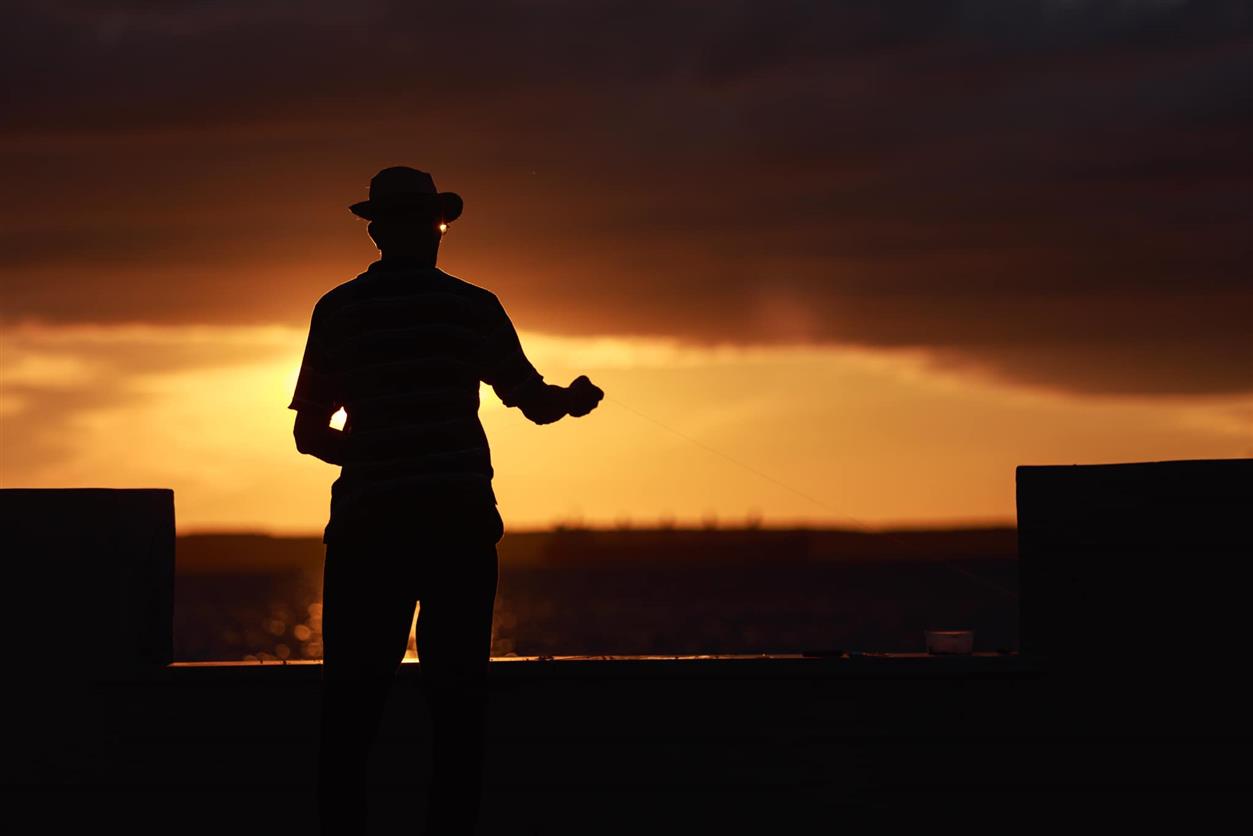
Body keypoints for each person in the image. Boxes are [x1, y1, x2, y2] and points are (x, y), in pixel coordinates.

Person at [289, 165, 604, 835]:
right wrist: (574, 402)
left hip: (367, 529)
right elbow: (533, 402)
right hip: (458, 527)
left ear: (374, 231)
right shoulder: (473, 307)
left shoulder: (337, 310)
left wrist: (376, 451)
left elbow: (308, 434)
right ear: (435, 229)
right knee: (458, 702)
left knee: (350, 703)